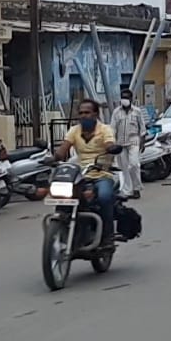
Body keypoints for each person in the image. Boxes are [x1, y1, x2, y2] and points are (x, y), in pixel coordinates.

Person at [51, 99, 117, 249]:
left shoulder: (105, 129)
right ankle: (63, 230)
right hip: (80, 175)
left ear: (95, 114)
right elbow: (63, 149)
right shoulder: (74, 131)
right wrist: (52, 159)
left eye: (87, 112)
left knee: (104, 197)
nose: (83, 116)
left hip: (101, 174)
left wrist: (112, 148)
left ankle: (108, 237)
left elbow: (109, 144)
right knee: (63, 197)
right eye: (80, 113)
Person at [110, 89, 146, 200]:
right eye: (122, 97)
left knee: (134, 164)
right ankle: (128, 190)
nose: (124, 100)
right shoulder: (116, 112)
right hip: (120, 143)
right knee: (124, 167)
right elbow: (112, 128)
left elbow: (142, 128)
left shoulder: (137, 111)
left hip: (134, 141)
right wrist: (112, 143)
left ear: (131, 99)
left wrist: (142, 142)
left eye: (126, 97)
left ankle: (136, 188)